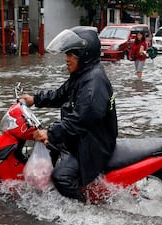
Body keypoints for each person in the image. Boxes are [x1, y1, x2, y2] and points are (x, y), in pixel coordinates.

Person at [20, 26, 118, 202]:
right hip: (81, 137)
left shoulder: (93, 83)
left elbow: (81, 119)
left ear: (84, 55)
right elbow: (61, 94)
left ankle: (83, 208)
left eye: (71, 55)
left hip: (93, 144)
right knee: (48, 151)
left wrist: (50, 132)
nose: (66, 59)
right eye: (67, 54)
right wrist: (35, 99)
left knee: (61, 177)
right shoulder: (82, 75)